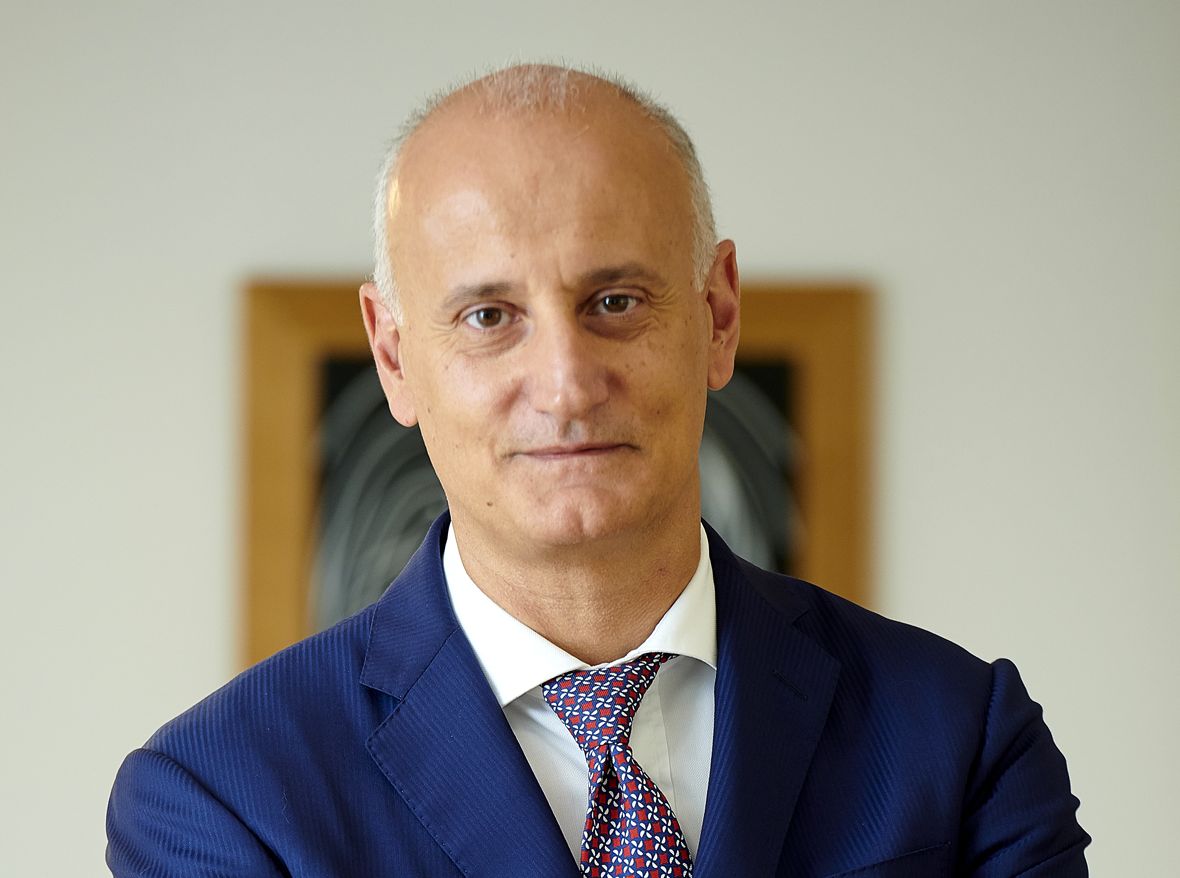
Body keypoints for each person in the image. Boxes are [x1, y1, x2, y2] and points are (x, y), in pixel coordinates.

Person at [107, 63, 1089, 877]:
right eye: (489, 317)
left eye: (614, 302)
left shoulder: (960, 740)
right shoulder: (221, 797)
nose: (567, 385)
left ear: (718, 317)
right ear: (395, 357)